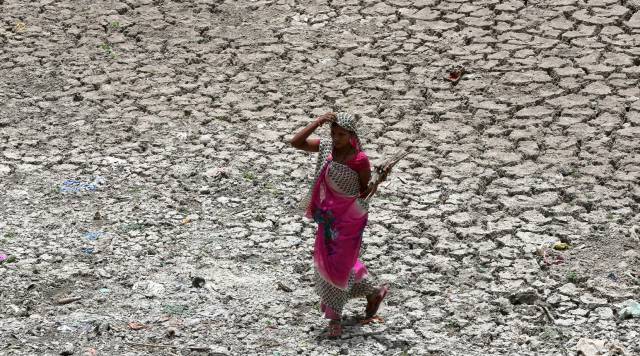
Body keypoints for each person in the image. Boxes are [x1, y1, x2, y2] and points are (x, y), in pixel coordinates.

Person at [290, 111, 389, 338]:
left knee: (338, 264)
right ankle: (373, 292)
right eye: (334, 133)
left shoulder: (359, 159)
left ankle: (334, 318)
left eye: (342, 134)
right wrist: (317, 122)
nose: (336, 138)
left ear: (352, 135)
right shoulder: (326, 148)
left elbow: (364, 191)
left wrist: (377, 181)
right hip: (328, 217)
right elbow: (296, 143)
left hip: (349, 218)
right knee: (333, 261)